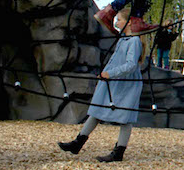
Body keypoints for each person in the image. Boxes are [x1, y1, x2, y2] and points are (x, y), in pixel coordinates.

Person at [58, 9, 145, 162]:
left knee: (126, 117)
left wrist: (110, 74)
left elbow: (131, 65)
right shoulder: (123, 39)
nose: (116, 23)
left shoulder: (134, 41)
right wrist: (106, 74)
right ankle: (78, 143)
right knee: (98, 109)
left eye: (119, 20)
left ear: (129, 22)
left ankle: (119, 152)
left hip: (126, 84)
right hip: (114, 82)